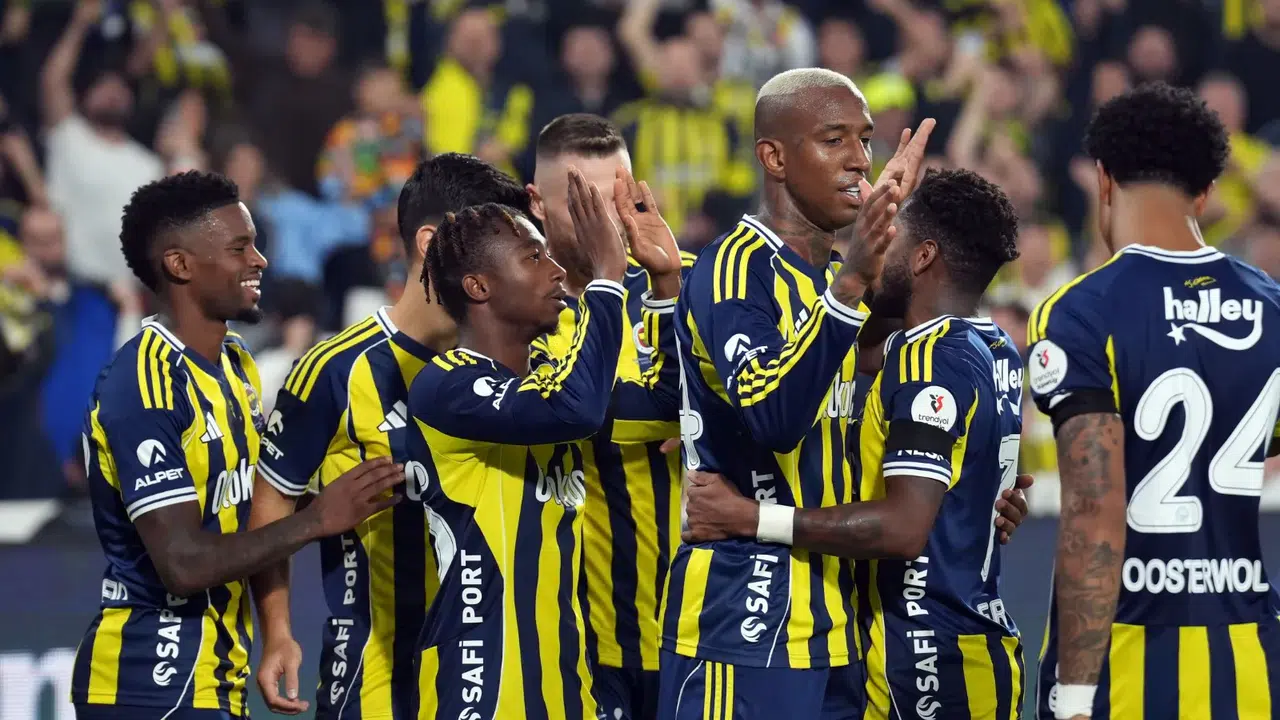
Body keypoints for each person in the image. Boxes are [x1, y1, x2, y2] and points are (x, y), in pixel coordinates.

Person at [682, 168, 1029, 718]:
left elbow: (902, 529)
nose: (874, 252)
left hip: (929, 661)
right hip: (963, 646)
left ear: (923, 257)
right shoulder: (996, 348)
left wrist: (749, 517)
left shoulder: (927, 358)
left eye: (894, 238)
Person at [70, 171, 403, 719]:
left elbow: (249, 510)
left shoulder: (235, 362)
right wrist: (318, 519)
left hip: (218, 679)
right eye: (239, 247)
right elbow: (182, 563)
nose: (260, 260)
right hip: (148, 683)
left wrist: (276, 632)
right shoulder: (143, 384)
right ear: (180, 264)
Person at [657, 67, 931, 719]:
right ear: (774, 158)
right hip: (743, 625)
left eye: (865, 140)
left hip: (837, 626)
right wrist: (853, 284)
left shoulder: (836, 280)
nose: (859, 159)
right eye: (833, 140)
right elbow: (774, 416)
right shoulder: (735, 269)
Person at [1028, 82, 1280, 720]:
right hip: (1252, 666)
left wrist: (1075, 697)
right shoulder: (1273, 307)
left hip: (1127, 668)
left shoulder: (1080, 312)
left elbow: (1093, 511)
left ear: (1103, 179)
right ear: (1206, 192)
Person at [248, 154, 532, 718]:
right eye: (494, 242)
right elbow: (271, 500)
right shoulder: (335, 371)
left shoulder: (520, 364)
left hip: (501, 684)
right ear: (431, 243)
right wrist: (277, 632)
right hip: (375, 687)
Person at [407, 176, 681, 718]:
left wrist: (666, 283)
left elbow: (667, 405)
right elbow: (573, 411)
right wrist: (606, 280)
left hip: (567, 686)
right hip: (483, 688)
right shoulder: (445, 385)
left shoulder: (554, 382)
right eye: (534, 258)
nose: (556, 271)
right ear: (479, 286)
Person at [527, 113, 695, 720]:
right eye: (582, 203)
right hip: (589, 643)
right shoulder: (524, 313)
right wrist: (687, 413)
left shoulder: (692, 283)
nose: (607, 221)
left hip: (706, 630)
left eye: (616, 199)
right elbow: (583, 414)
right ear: (536, 204)